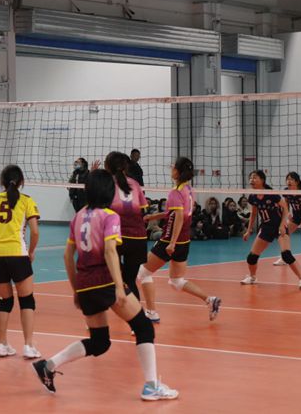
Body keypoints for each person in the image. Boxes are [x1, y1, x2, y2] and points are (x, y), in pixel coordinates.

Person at [32, 169, 178, 401]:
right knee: (144, 327)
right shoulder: (110, 216)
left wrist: (76, 290)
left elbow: (67, 256)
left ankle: (48, 366)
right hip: (105, 280)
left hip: (84, 283)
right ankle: (152, 386)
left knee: (99, 342)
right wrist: (119, 287)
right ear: (109, 193)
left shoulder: (78, 216)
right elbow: (110, 250)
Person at [137, 157, 222, 321]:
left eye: (173, 167)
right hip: (184, 242)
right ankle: (210, 300)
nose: (171, 169)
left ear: (178, 171)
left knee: (143, 273)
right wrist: (154, 216)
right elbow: (175, 213)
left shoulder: (175, 192)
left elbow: (179, 217)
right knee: (176, 281)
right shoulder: (188, 190)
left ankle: (151, 313)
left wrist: (172, 243)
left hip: (170, 241)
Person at [0, 165, 40, 359]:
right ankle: (28, 346)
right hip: (18, 254)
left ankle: (2, 344)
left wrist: (0, 247)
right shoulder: (26, 201)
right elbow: (34, 232)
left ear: (2, 181)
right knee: (27, 300)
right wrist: (30, 252)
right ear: (21, 181)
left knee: (4, 301)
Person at [103, 152, 157, 321]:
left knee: (107, 274)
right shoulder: (135, 183)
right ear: (125, 167)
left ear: (107, 166)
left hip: (116, 236)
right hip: (138, 238)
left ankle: (97, 317)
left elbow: (101, 209)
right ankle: (137, 319)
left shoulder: (107, 183)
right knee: (130, 279)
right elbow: (142, 209)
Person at [240, 170, 301, 289]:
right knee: (251, 257)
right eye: (250, 178)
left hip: (279, 225)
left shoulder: (271, 194)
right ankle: (252, 277)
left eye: (255, 178)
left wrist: (282, 225)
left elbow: (285, 208)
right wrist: (249, 230)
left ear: (262, 180)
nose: (251, 180)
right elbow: (254, 213)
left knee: (286, 254)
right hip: (266, 227)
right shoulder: (253, 196)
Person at [272, 172, 301, 269]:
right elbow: (286, 204)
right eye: (287, 179)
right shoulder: (286, 191)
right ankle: (284, 257)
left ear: (297, 181)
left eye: (291, 179)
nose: (288, 181)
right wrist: (288, 213)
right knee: (283, 234)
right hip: (296, 216)